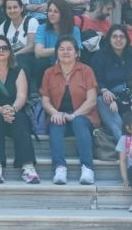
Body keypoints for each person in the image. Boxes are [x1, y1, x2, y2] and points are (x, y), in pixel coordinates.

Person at [0, 34, 39, 184]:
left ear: (10, 51)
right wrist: (2, 110)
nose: (1, 50)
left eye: (5, 48)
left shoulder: (18, 70)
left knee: (21, 120)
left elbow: (22, 96)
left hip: (14, 111)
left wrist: (12, 109)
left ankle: (27, 166)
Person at [40, 36, 99, 185]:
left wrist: (74, 115)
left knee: (79, 122)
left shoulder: (86, 71)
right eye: (61, 49)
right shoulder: (49, 73)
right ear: (56, 53)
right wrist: (54, 112)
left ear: (77, 53)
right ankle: (60, 168)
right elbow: (45, 100)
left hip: (83, 116)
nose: (65, 52)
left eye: (69, 49)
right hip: (59, 116)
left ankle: (87, 168)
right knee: (55, 123)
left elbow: (91, 100)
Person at [33, 0, 79, 90]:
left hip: (68, 62)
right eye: (49, 11)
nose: (51, 14)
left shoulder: (74, 30)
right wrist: (61, 50)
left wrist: (62, 58)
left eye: (56, 12)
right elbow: (38, 52)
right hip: (47, 64)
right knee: (40, 62)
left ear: (63, 14)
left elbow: (78, 53)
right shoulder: (42, 28)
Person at [0, 0, 39, 83]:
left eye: (15, 7)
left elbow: (31, 47)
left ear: (21, 8)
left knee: (19, 61)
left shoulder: (31, 21)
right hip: (9, 56)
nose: (12, 10)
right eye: (9, 8)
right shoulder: (5, 25)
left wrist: (13, 55)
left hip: (28, 57)